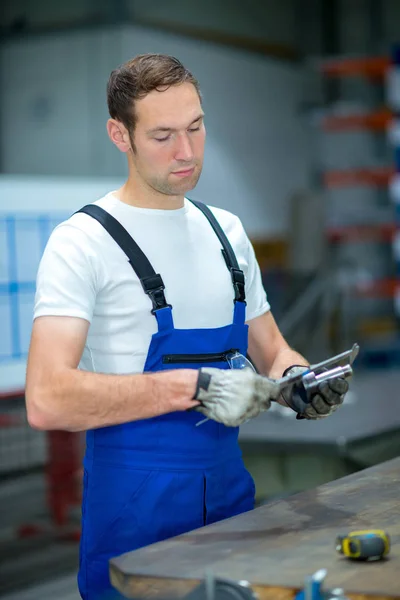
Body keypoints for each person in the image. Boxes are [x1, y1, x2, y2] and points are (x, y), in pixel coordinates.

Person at [25, 54, 349, 599]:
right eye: (163, 136)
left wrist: (299, 380)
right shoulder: (82, 242)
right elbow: (46, 398)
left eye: (196, 128)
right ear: (119, 135)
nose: (187, 152)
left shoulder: (227, 233)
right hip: (134, 507)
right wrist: (192, 387)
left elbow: (271, 348)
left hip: (231, 497)